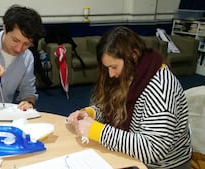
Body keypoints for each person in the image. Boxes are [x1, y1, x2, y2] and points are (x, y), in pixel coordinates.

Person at [66, 26, 192, 169]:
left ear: (133, 55)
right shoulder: (130, 72)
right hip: (133, 156)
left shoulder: (160, 87)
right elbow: (111, 108)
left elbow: (154, 150)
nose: (111, 74)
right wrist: (92, 113)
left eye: (114, 67)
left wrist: (99, 131)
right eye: (107, 68)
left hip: (163, 165)